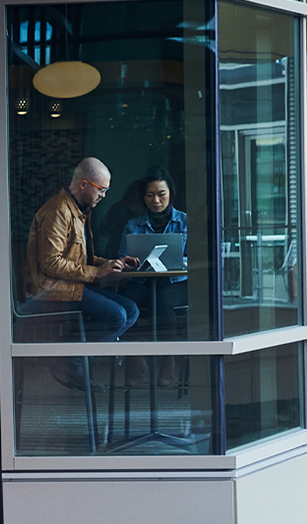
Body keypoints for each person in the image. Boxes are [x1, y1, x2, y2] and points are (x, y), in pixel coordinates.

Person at [23, 157, 141, 391]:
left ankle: (65, 356)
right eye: (102, 189)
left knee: (131, 310)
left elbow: (80, 260)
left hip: (70, 285)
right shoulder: (59, 211)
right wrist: (96, 272)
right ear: (84, 185)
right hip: (50, 289)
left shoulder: (77, 211)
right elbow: (50, 263)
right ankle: (68, 359)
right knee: (117, 315)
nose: (104, 196)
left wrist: (112, 263)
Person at [118, 167, 187, 387]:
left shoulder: (185, 222)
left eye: (161, 194)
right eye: (150, 195)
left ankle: (169, 359)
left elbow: (195, 258)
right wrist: (128, 263)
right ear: (143, 197)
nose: (156, 200)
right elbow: (121, 259)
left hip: (176, 281)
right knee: (124, 304)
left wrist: (180, 262)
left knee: (163, 301)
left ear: (171, 194)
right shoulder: (132, 225)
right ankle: (136, 357)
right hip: (142, 279)